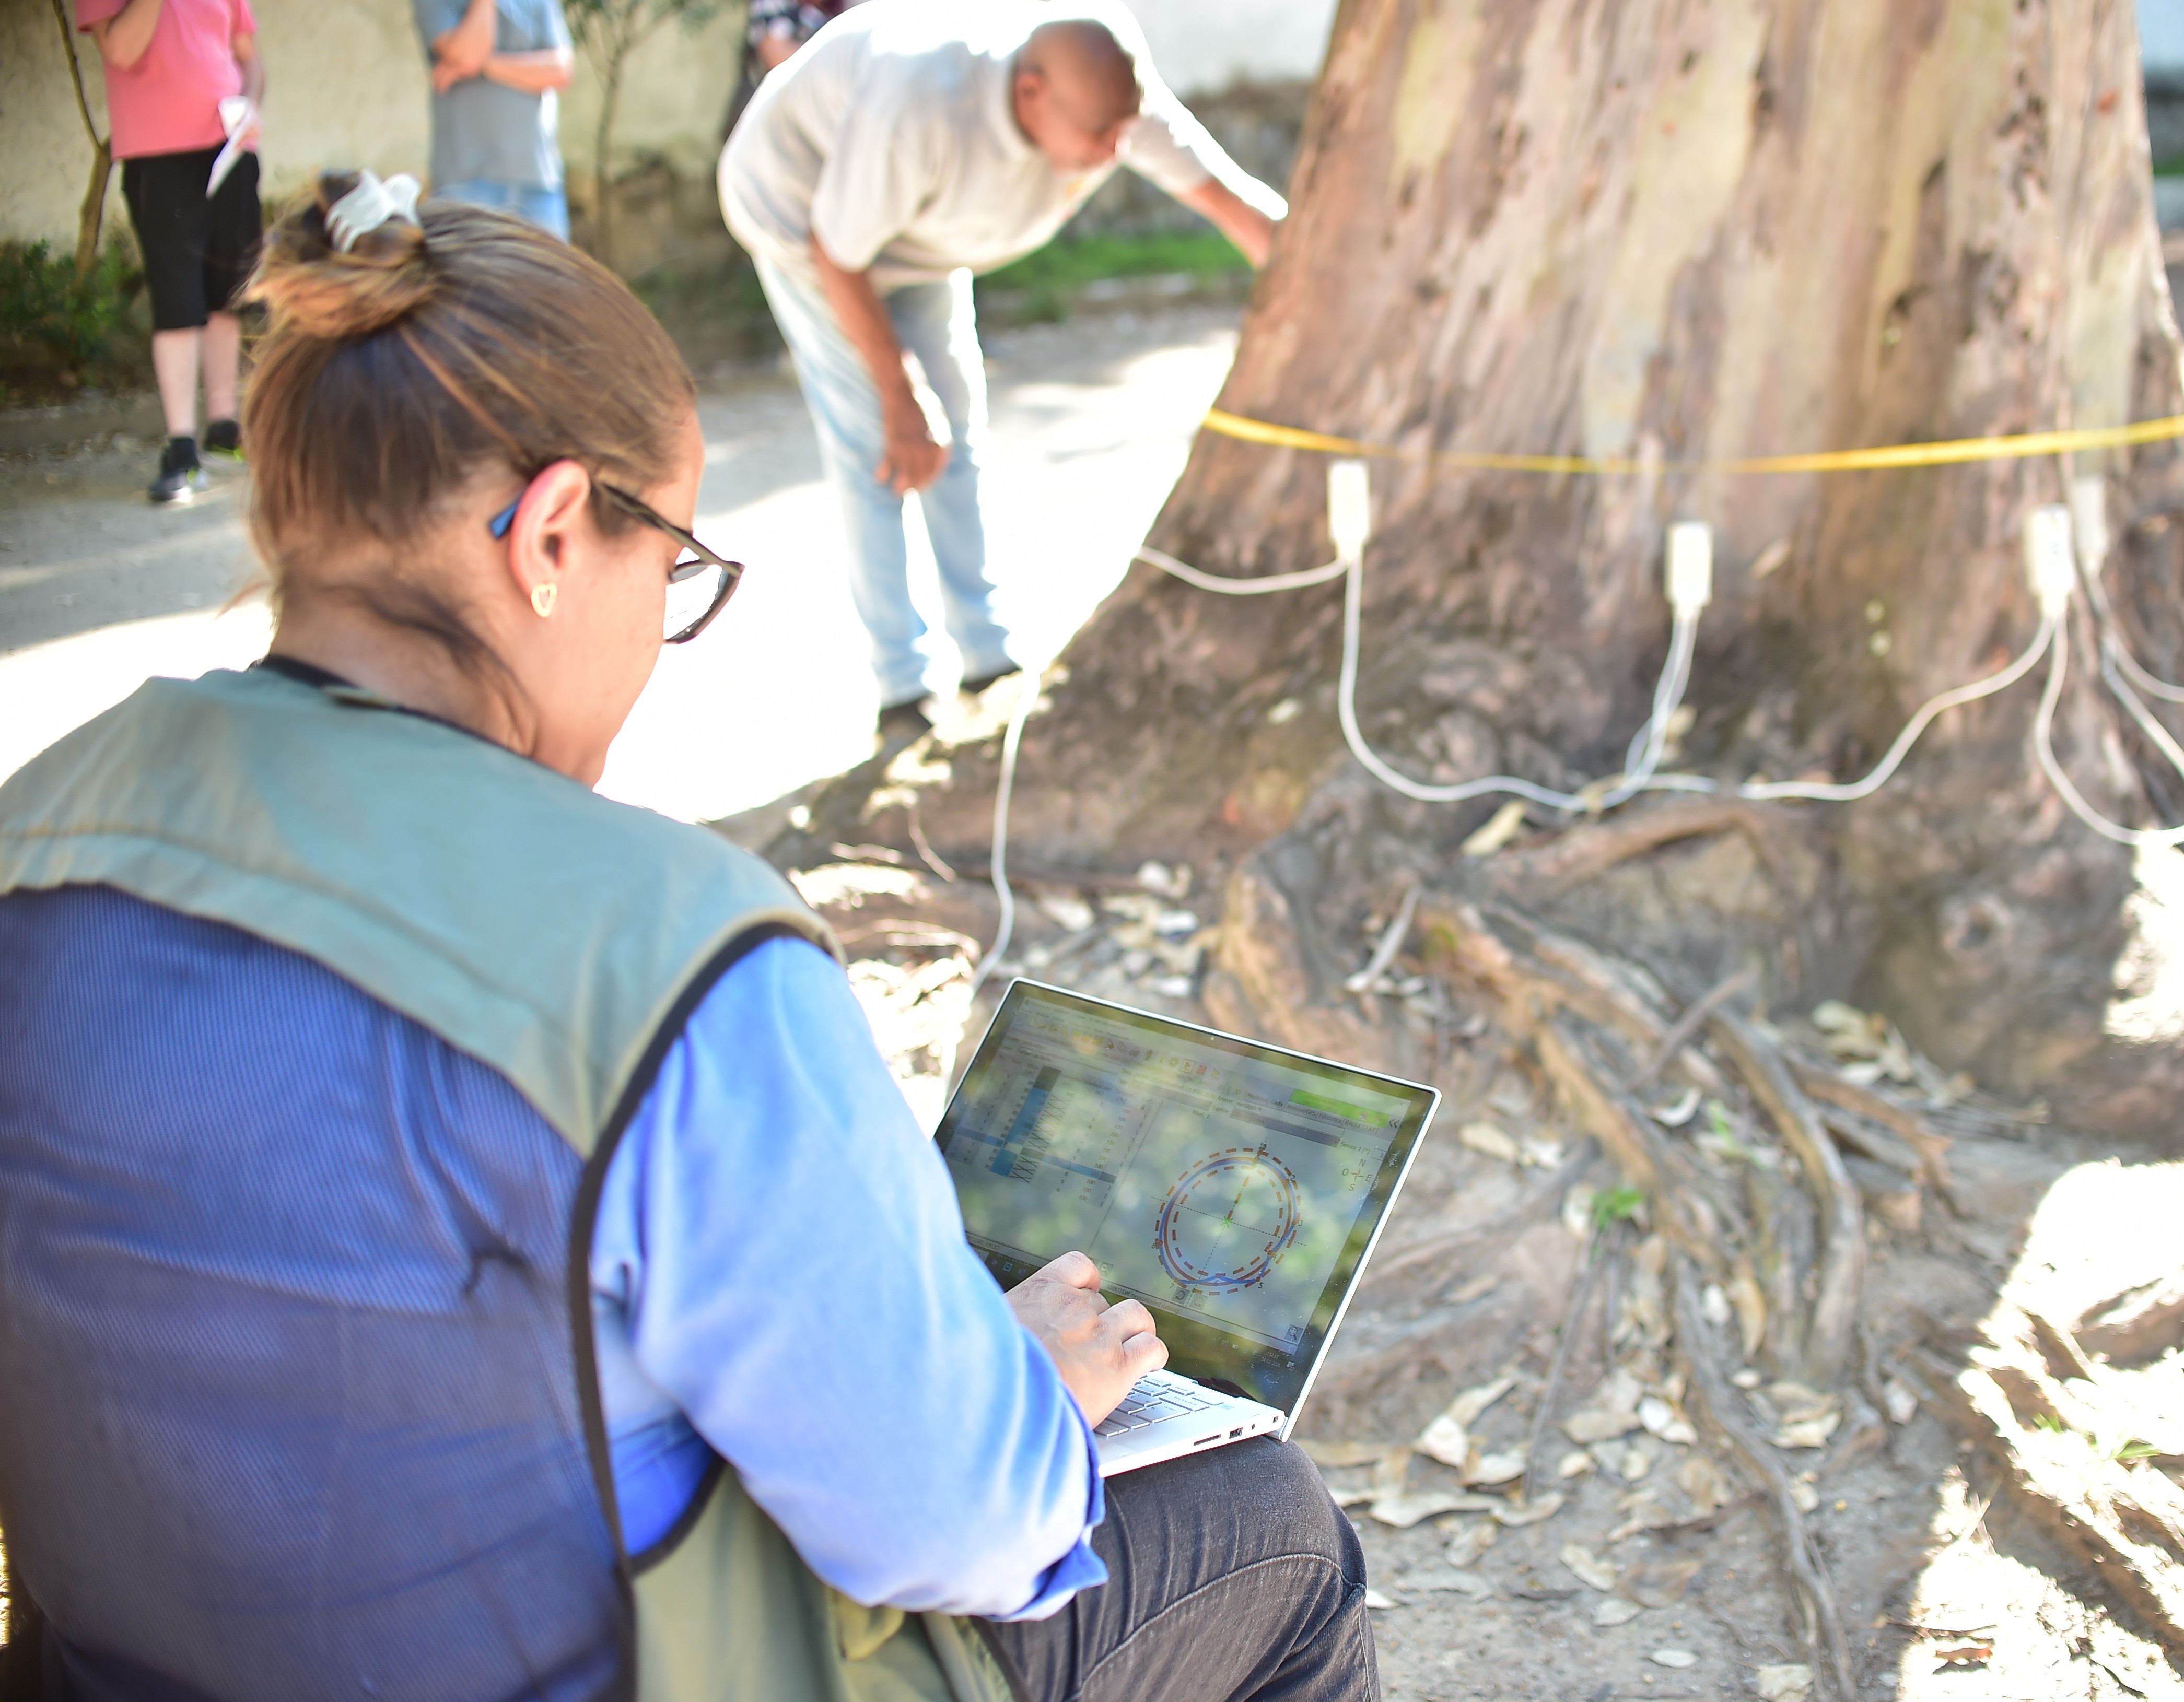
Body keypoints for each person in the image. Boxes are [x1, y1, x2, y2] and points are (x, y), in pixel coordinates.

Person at [0, 171, 1375, 1702]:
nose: (663, 630)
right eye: (675, 575)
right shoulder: (671, 951)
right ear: (554, 532)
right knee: (1272, 1532)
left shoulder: (36, 830)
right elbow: (955, 1526)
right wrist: (1029, 1403)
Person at [719, 0, 1287, 753]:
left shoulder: (1107, 95)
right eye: (1097, 137)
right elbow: (839, 253)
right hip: (807, 223)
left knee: (958, 427)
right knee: (881, 446)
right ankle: (902, 687)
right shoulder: (922, 102)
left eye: (1125, 132)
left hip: (919, 233)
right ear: (1030, 94)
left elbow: (1238, 208)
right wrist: (897, 391)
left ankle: (986, 656)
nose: (1115, 152)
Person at [76, 0, 265, 504]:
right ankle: (181, 448)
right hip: (159, 156)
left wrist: (251, 103)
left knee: (229, 291)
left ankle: (223, 429)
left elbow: (249, 57)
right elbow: (119, 51)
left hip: (230, 149)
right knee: (177, 299)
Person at [412, 0, 576, 238]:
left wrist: (482, 67)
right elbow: (468, 55)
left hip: (538, 183)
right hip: (465, 186)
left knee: (549, 278)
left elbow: (560, 71)